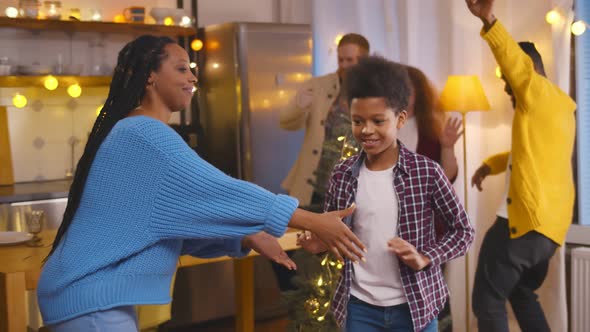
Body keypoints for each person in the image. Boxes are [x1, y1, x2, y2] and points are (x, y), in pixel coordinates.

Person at [37, 35, 366, 332]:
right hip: (89, 296)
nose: (193, 77)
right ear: (150, 75)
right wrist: (313, 220)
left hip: (85, 295)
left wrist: (247, 236)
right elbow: (221, 190)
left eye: (191, 69)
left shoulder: (134, 130)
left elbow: (174, 228)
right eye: (181, 69)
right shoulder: (145, 134)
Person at [298, 56, 475, 332]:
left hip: (415, 306)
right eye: (358, 121)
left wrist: (425, 257)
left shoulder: (426, 172)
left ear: (400, 118)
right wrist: (318, 244)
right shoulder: (342, 174)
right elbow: (334, 233)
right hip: (359, 308)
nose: (366, 130)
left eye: (378, 121)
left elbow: (463, 231)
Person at [466, 1, 577, 331]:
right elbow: (526, 155)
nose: (506, 86)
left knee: (487, 300)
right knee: (522, 293)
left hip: (524, 225)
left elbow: (514, 63)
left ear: (528, 69)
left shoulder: (536, 91)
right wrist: (489, 164)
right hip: (549, 232)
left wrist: (489, 20)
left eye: (509, 79)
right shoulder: (558, 107)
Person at [279, 33, 370, 209]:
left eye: (350, 60)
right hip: (313, 186)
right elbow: (285, 122)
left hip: (353, 187)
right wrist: (300, 105)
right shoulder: (318, 85)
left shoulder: (375, 90)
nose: (343, 65)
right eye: (340, 59)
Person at [400, 65, 462, 182]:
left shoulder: (431, 127)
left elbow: (448, 177)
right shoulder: (378, 125)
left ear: (418, 92)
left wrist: (447, 147)